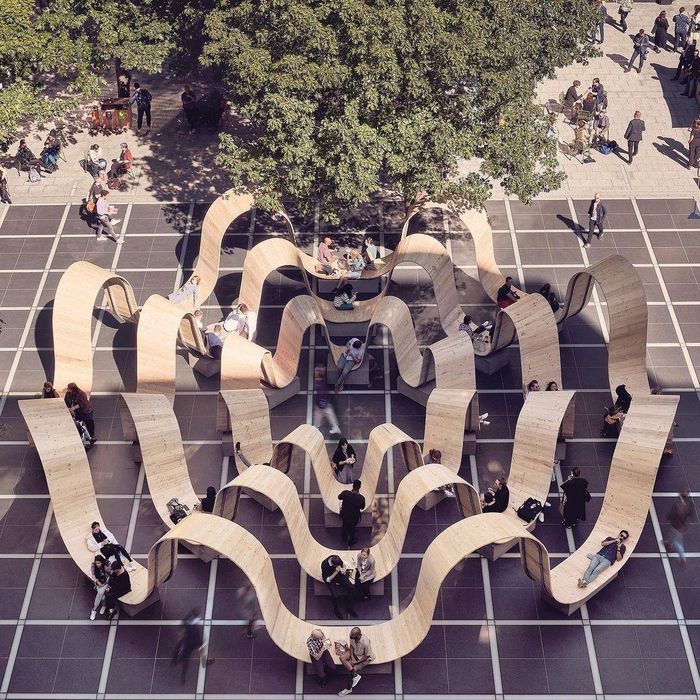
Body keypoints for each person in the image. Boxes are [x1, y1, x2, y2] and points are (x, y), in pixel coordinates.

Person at [171, 608, 213, 681]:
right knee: (187, 655)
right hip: (193, 641)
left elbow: (183, 625)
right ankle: (202, 663)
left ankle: (176, 662)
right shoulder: (191, 625)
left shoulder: (187, 622)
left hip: (190, 640)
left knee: (183, 652)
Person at [338, 627, 375, 696]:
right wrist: (352, 656)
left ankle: (348, 689)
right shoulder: (352, 637)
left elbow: (367, 655)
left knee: (351, 672)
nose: (351, 636)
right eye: (351, 635)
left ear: (358, 635)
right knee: (342, 658)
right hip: (355, 652)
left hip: (363, 657)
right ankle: (355, 675)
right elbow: (351, 646)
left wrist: (356, 662)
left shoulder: (366, 642)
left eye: (352, 635)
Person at [321, 554, 358, 618]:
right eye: (337, 566)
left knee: (352, 588)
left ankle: (349, 607)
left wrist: (343, 570)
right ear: (333, 564)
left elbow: (342, 566)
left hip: (338, 575)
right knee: (335, 596)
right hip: (330, 578)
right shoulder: (324, 565)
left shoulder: (337, 559)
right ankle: (336, 610)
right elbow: (328, 580)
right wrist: (335, 572)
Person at [312, 364, 342, 435]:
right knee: (321, 414)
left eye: (316, 372)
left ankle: (334, 427)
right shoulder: (319, 381)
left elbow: (322, 394)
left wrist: (321, 404)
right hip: (321, 402)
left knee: (326, 413)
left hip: (322, 403)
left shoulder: (321, 383)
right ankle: (317, 426)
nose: (314, 373)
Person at [664, 491, 693, 563]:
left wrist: (668, 517)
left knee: (677, 542)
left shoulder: (679, 506)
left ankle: (682, 558)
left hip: (677, 525)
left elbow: (673, 514)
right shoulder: (689, 504)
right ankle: (669, 543)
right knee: (672, 534)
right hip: (683, 525)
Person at [338, 479, 365, 546]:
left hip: (345, 515)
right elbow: (362, 507)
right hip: (354, 517)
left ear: (353, 486)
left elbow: (339, 497)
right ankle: (351, 541)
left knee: (344, 526)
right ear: (359, 487)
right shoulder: (361, 498)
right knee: (353, 529)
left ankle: (344, 538)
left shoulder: (345, 493)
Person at [90, 555, 109, 620]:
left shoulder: (106, 566)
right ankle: (104, 605)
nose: (97, 564)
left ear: (102, 562)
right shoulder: (93, 565)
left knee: (100, 593)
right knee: (103, 597)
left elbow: (110, 576)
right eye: (96, 563)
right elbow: (93, 575)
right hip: (98, 582)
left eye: (99, 563)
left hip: (106, 582)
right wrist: (97, 581)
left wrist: (105, 584)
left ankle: (94, 610)